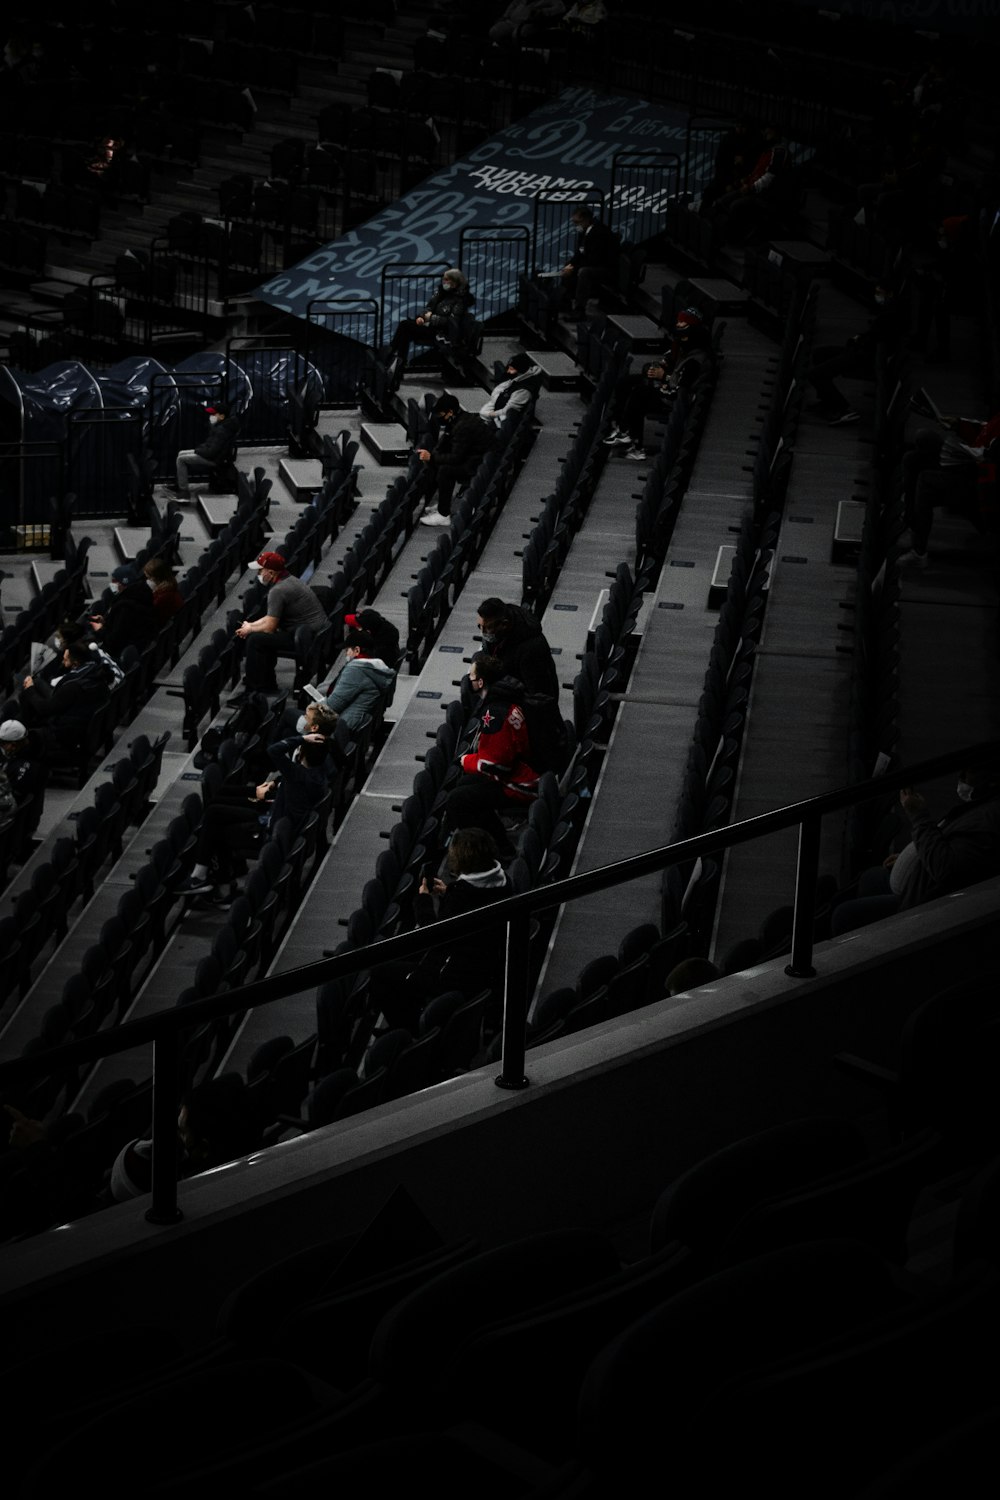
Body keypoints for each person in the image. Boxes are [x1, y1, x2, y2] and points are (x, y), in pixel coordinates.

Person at [366, 826, 511, 1034]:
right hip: (483, 961)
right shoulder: (504, 881)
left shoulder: (461, 897)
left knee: (380, 974)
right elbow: (474, 903)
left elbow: (432, 936)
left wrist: (423, 901)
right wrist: (448, 891)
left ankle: (407, 1031)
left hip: (455, 972)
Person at [830, 765, 1000, 935]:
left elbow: (945, 868)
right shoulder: (979, 807)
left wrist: (919, 816)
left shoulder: (987, 821)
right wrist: (916, 856)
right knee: (869, 878)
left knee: (843, 915)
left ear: (992, 780)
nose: (961, 776)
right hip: (918, 878)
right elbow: (948, 843)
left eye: (970, 772)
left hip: (920, 904)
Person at [174, 730, 335, 898]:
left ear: (302, 753)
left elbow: (274, 750)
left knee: (216, 828)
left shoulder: (297, 774)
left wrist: (301, 738)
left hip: (267, 832)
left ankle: (210, 883)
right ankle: (214, 882)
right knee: (215, 809)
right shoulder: (319, 775)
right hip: (272, 817)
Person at [442, 653, 541, 850]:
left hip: (521, 783)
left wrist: (466, 761)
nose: (468, 680)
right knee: (464, 783)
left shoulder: (494, 713)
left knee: (457, 800)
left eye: (471, 677)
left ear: (480, 683)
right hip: (519, 771)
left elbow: (495, 765)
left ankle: (497, 848)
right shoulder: (504, 699)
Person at [897, 404, 1000, 568]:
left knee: (926, 479)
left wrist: (984, 458)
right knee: (916, 452)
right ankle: (912, 521)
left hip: (984, 488)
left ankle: (918, 551)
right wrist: (958, 425)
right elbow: (987, 430)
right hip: (972, 466)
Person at [603, 308, 714, 457]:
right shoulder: (680, 346)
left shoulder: (696, 360)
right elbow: (665, 361)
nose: (679, 325)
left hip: (674, 399)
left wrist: (663, 376)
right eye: (679, 321)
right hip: (667, 388)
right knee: (626, 382)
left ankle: (634, 444)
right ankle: (619, 427)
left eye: (683, 322)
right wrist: (652, 369)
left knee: (639, 393)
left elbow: (682, 388)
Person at [228, 551, 330, 705]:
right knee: (257, 636)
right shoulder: (290, 580)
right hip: (309, 633)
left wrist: (250, 630)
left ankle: (253, 691)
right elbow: (271, 617)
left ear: (270, 572)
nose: (258, 574)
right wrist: (251, 625)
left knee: (255, 640)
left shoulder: (278, 590)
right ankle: (266, 683)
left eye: (260, 570)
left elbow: (269, 627)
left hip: (304, 638)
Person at [805, 282, 907, 427]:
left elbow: (872, 340)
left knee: (815, 374)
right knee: (819, 354)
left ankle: (842, 408)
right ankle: (827, 401)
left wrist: (856, 341)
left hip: (865, 358)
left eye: (880, 293)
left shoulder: (890, 316)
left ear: (890, 294)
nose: (877, 296)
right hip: (863, 352)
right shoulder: (887, 312)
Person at [18, 639, 113, 761]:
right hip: (82, 717)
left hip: (66, 733)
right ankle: (26, 724)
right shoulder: (94, 671)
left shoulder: (73, 686)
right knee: (37, 682)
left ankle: (26, 731)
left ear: (75, 663)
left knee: (28, 694)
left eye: (66, 659)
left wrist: (30, 690)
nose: (63, 661)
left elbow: (46, 709)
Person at [383, 268, 476, 388]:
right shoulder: (441, 293)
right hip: (431, 327)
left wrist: (431, 318)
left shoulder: (460, 301)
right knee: (405, 330)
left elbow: (452, 322)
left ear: (454, 283)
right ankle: (397, 364)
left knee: (405, 326)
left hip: (443, 333)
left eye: (446, 280)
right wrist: (422, 317)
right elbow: (429, 307)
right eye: (443, 279)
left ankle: (393, 357)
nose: (444, 282)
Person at [706, 121, 792, 247]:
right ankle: (718, 237)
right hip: (753, 189)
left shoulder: (780, 152)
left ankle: (734, 240)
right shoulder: (767, 151)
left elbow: (769, 177)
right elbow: (757, 173)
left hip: (766, 195)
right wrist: (744, 181)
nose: (766, 132)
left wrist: (751, 187)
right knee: (721, 201)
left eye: (769, 130)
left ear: (776, 133)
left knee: (736, 205)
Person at [416, 392, 495, 527]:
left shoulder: (463, 426)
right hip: (472, 457)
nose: (439, 418)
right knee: (437, 463)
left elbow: (456, 458)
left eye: (440, 415)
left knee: (445, 470)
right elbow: (444, 443)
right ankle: (442, 504)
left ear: (450, 412)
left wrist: (432, 457)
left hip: (479, 464)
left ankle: (443, 515)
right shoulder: (457, 419)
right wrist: (433, 456)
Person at [475, 596, 560, 700]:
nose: (482, 632)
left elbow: (540, 697)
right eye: (480, 626)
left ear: (504, 624)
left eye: (487, 628)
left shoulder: (532, 649)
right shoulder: (495, 634)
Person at [319, 628, 397, 732]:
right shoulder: (376, 668)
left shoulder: (355, 670)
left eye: (347, 650)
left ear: (357, 650)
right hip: (353, 721)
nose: (346, 654)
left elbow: (333, 706)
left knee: (291, 716)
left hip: (344, 725)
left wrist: (312, 709)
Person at [560, 203, 619, 318]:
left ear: (586, 219)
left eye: (577, 222)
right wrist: (570, 266)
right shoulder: (585, 231)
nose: (576, 225)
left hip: (606, 268)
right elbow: (579, 252)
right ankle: (565, 302)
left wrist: (575, 268)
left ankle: (579, 309)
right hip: (594, 264)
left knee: (584, 272)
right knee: (569, 265)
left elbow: (595, 259)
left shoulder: (599, 232)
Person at [88, 562, 158, 658]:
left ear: (123, 583)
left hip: (115, 653)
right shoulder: (141, 594)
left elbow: (114, 641)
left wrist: (100, 629)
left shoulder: (126, 608)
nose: (112, 583)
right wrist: (106, 621)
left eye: (114, 581)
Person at [174, 404, 238, 496]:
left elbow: (211, 452)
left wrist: (198, 451)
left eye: (214, 414)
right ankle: (179, 484)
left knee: (181, 460)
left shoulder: (221, 431)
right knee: (181, 453)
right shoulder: (221, 427)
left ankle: (183, 491)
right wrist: (199, 449)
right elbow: (210, 445)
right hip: (211, 455)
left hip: (214, 459)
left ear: (222, 416)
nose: (211, 416)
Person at [479, 351, 544, 432]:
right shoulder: (517, 379)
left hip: (500, 424)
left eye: (512, 369)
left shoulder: (523, 391)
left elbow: (508, 412)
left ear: (521, 371)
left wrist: (489, 414)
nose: (508, 371)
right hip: (497, 412)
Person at [0, 719, 47, 828]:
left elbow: (9, 798)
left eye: (2, 743)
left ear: (13, 745)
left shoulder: (26, 768)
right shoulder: (33, 759)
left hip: (8, 816)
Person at [489, 0, 565, 44]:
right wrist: (505, 16)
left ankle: (519, 57)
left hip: (531, 24)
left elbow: (560, 7)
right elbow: (513, 4)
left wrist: (543, 12)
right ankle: (505, 55)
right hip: (511, 22)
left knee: (517, 34)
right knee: (494, 31)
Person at [143, 556, 184, 621]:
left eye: (149, 578)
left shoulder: (162, 596)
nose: (148, 580)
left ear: (156, 578)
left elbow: (150, 613)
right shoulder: (171, 585)